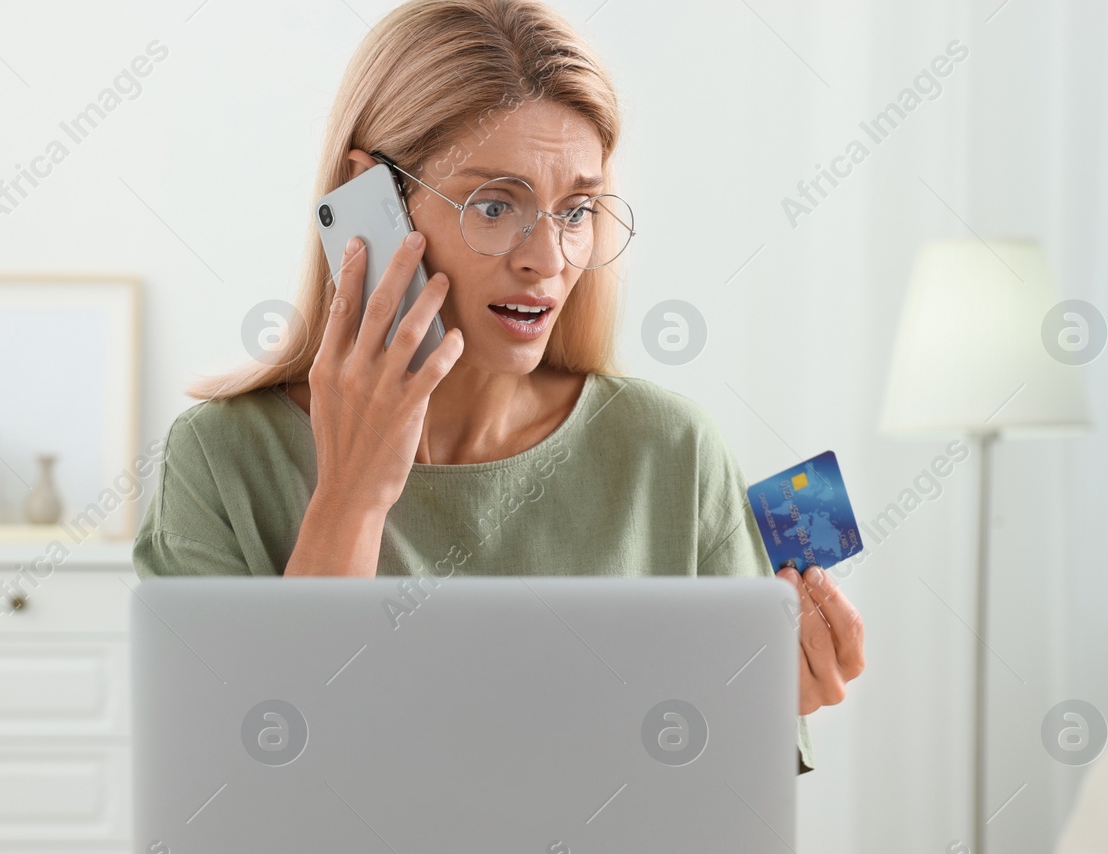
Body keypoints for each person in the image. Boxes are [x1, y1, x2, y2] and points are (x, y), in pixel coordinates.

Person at [132, 0, 864, 767]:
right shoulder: (220, 461)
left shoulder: (671, 453)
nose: (547, 259)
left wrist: (767, 709)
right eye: (494, 204)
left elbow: (722, 810)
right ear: (367, 204)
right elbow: (239, 797)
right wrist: (350, 497)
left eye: (576, 209)